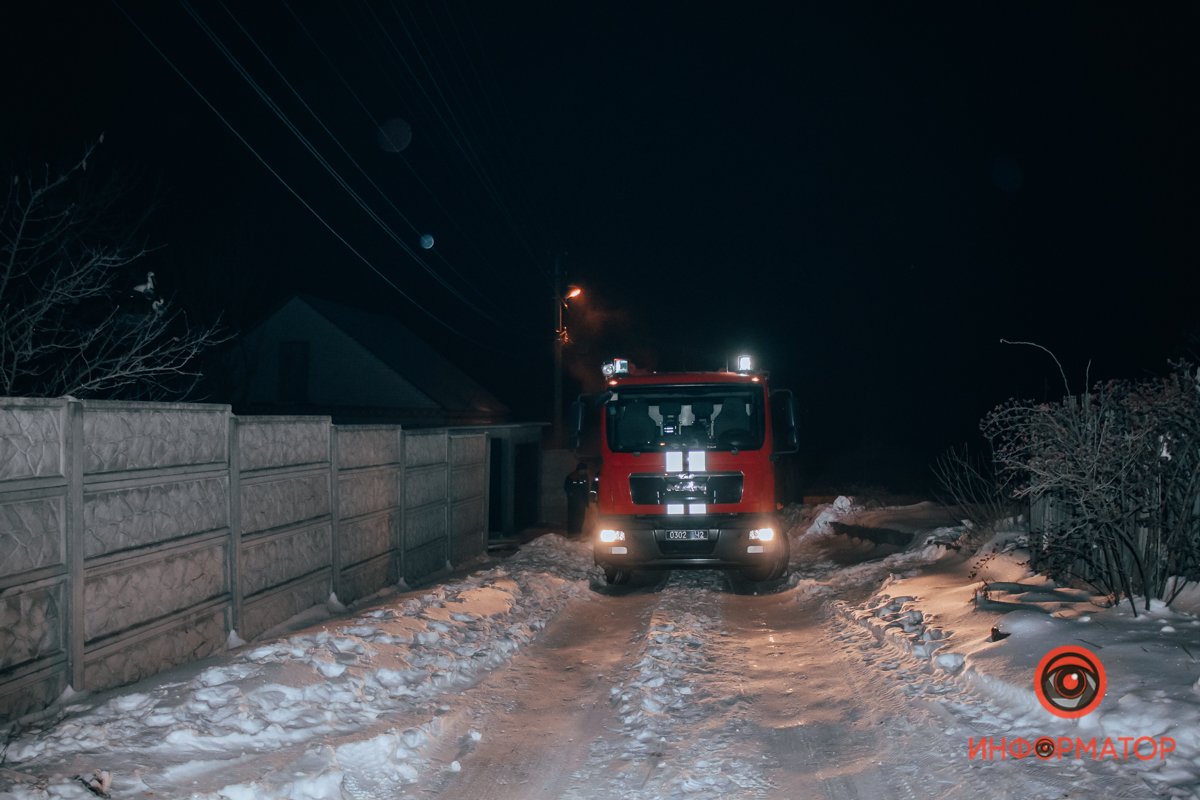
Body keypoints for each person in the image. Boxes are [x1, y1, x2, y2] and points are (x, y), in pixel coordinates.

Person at [563, 461, 590, 536]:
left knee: (580, 518)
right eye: (583, 470)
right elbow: (567, 487)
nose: (584, 471)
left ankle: (578, 532)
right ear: (579, 469)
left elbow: (585, 489)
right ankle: (572, 533)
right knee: (573, 517)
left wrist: (587, 501)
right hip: (573, 502)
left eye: (585, 470)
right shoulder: (572, 477)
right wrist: (572, 495)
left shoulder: (585, 477)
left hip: (581, 502)